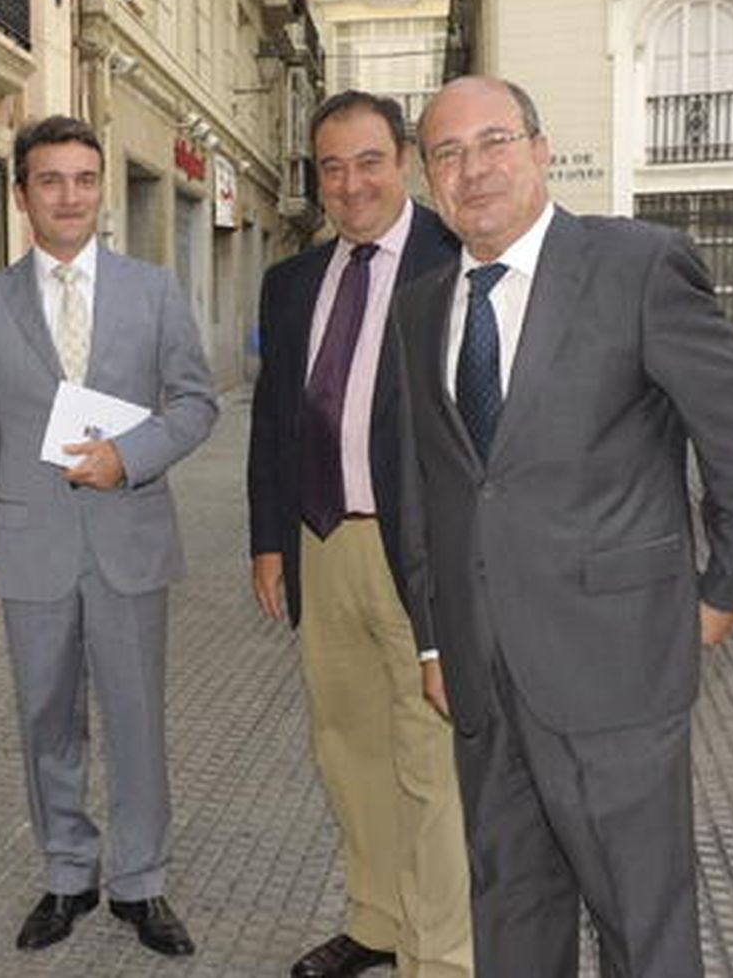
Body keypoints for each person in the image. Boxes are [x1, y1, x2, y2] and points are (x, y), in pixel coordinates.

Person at [394, 76, 733, 977]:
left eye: (493, 142)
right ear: (428, 180)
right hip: (483, 674)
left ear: (539, 150)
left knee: (641, 923)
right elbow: (422, 486)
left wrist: (725, 593)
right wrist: (433, 639)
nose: (473, 169)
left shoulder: (637, 265)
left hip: (616, 665)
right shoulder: (420, 306)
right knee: (512, 911)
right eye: (447, 153)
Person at [0, 115, 217, 958]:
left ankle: (140, 881)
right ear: (22, 195)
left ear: (101, 192)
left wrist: (128, 458)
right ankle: (67, 872)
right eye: (50, 180)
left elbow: (195, 403)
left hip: (129, 541)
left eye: (85, 180)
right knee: (46, 721)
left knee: (136, 720)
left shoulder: (153, 291)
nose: (70, 196)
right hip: (32, 551)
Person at [247, 91, 470, 978]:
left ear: (403, 160)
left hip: (422, 554)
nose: (350, 184)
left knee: (432, 762)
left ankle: (441, 957)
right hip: (321, 543)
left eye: (369, 161)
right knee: (348, 750)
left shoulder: (457, 258)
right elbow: (273, 422)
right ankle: (377, 922)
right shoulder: (292, 281)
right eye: (332, 168)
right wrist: (269, 540)